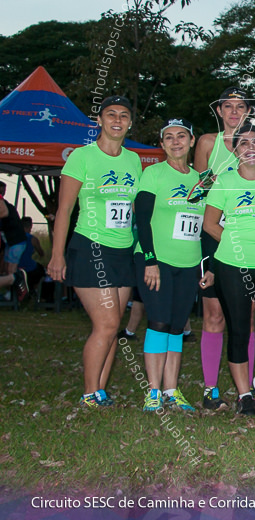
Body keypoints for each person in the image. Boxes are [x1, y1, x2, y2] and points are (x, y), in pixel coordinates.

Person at [48, 96, 141, 407]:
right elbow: (64, 210)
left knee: (113, 327)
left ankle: (100, 390)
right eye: (111, 114)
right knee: (107, 324)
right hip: (91, 247)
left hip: (122, 251)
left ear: (130, 122)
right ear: (99, 120)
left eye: (124, 115)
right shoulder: (81, 157)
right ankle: (89, 393)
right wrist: (57, 254)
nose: (117, 120)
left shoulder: (134, 160)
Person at [202, 123, 255, 416]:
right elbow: (210, 224)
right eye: (243, 143)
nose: (250, 147)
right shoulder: (224, 182)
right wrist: (235, 243)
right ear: (235, 151)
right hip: (232, 265)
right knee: (238, 331)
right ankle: (244, 395)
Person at [133, 118, 212, 412]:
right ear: (162, 144)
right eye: (169, 137)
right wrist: (150, 260)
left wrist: (205, 267)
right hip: (156, 261)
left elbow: (205, 225)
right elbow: (141, 219)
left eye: (182, 136)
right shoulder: (153, 173)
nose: (176, 141)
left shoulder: (201, 181)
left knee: (177, 327)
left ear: (192, 142)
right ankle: (153, 391)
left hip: (188, 263)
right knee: (159, 322)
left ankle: (171, 389)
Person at [193, 86, 252, 411]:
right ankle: (211, 387)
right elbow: (199, 189)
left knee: (249, 316)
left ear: (246, 111)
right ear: (219, 111)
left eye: (239, 106)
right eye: (227, 106)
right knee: (214, 314)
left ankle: (248, 389)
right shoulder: (206, 143)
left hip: (249, 238)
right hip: (215, 235)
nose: (233, 112)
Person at [0, 182, 30, 300]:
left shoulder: (4, 205)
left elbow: (4, 213)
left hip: (16, 241)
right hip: (12, 241)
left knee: (11, 269)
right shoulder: (7, 204)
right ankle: (11, 294)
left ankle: (14, 294)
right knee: (8, 268)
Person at [18, 217, 45, 294]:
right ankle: (35, 290)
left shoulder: (14, 238)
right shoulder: (33, 239)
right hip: (29, 268)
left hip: (15, 267)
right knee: (41, 271)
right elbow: (41, 253)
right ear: (31, 226)